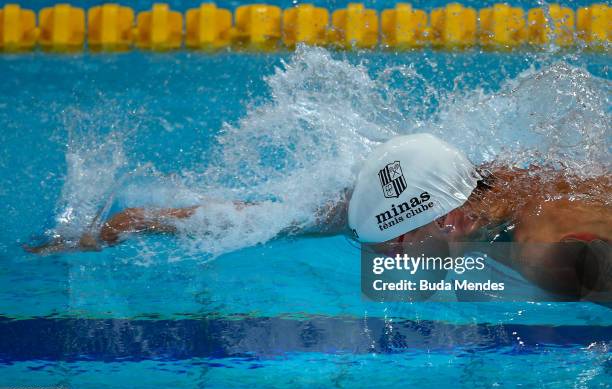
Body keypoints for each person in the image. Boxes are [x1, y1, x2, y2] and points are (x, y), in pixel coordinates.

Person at [26, 134, 610, 298]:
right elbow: (257, 217)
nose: (384, 257)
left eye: (395, 241)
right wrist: (123, 226)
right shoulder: (435, 195)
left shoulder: (549, 254)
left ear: (451, 222)